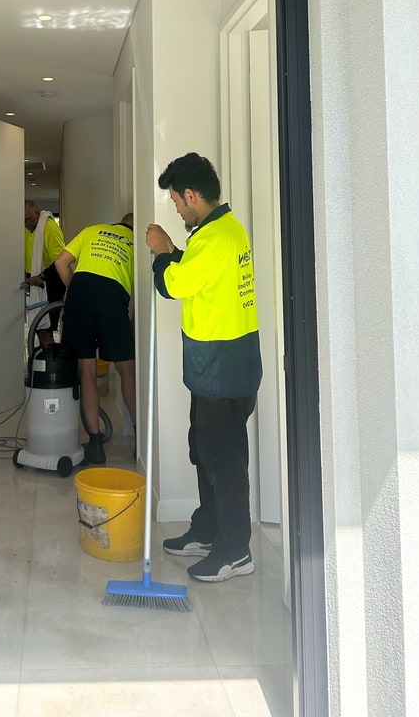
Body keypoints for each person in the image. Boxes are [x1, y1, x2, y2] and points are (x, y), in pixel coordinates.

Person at [145, 152, 262, 583]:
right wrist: (175, 250)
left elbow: (172, 284)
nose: (176, 209)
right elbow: (195, 274)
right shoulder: (221, 232)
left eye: (177, 201)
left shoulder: (214, 239)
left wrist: (160, 253)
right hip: (220, 366)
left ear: (191, 195)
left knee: (223, 460)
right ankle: (209, 529)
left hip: (222, 370)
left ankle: (235, 550)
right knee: (206, 450)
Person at [54, 214, 136, 465]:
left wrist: (74, 294)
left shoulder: (92, 229)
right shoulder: (135, 241)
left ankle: (96, 444)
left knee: (87, 370)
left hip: (80, 292)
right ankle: (142, 439)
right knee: (126, 370)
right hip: (113, 297)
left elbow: (61, 262)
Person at [24, 200, 66, 347]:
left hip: (52, 281)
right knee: (38, 328)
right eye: (23, 220)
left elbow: (60, 260)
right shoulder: (26, 229)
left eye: (28, 219)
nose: (25, 223)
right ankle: (44, 361)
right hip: (34, 282)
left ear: (37, 213)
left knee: (46, 328)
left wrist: (42, 276)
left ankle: (50, 365)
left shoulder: (49, 227)